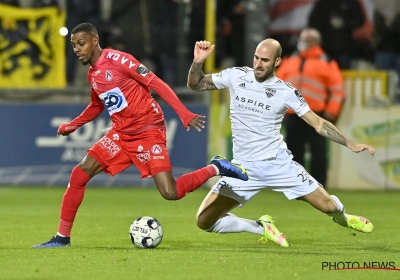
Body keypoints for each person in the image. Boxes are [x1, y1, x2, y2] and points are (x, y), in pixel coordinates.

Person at [32, 23, 248, 248]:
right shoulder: (93, 75)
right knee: (79, 174)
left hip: (148, 130)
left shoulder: (119, 60)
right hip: (122, 133)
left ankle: (216, 167)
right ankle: (62, 237)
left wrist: (183, 113)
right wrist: (73, 125)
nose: (77, 49)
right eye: (74, 45)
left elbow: (157, 83)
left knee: (169, 192)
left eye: (81, 43)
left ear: (95, 41)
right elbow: (96, 105)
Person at [186, 39, 375, 247]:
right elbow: (196, 84)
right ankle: (260, 227)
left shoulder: (285, 91)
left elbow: (318, 123)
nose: (258, 64)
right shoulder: (236, 76)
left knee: (329, 206)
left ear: (277, 62)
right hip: (243, 168)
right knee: (204, 221)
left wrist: (350, 144)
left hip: (278, 164)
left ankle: (345, 218)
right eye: (256, 58)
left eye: (265, 60)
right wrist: (197, 62)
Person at [276, 28, 345, 188]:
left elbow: (337, 91)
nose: (300, 42)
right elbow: (278, 87)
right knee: (293, 150)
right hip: (293, 114)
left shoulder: (327, 62)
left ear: (314, 42)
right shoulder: (289, 60)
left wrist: (331, 111)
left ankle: (319, 185)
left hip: (317, 114)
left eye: (304, 39)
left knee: (318, 152)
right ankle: (295, 184)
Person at [308, 0, 365, 69]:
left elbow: (359, 19)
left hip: (344, 48)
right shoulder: (322, 3)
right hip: (325, 48)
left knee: (342, 73)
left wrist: (344, 22)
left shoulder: (350, 2)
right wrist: (327, 24)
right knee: (324, 72)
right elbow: (312, 22)